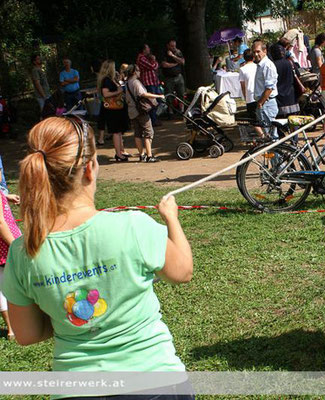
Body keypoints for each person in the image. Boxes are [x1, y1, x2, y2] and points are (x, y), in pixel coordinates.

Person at [2, 117, 194, 396]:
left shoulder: (22, 252)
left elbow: (27, 334)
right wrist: (171, 219)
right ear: (90, 169)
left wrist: (68, 319)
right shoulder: (132, 225)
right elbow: (183, 271)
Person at [125, 64, 165, 163]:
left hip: (132, 111)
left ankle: (142, 155)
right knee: (148, 132)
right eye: (138, 70)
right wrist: (158, 96)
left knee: (137, 133)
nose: (139, 72)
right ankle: (149, 155)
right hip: (140, 110)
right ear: (134, 72)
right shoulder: (135, 82)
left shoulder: (127, 83)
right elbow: (143, 94)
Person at [0, 170, 21, 341]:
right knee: (11, 285)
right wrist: (14, 245)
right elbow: (0, 223)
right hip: (5, 248)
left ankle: (11, 329)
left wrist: (6, 197)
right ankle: (13, 327)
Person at [97, 60, 130, 162]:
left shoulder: (111, 79)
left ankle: (121, 151)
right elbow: (105, 94)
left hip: (117, 109)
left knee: (119, 132)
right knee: (116, 132)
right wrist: (118, 91)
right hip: (112, 109)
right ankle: (119, 154)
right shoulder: (106, 80)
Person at [252, 40, 279, 140]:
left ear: (265, 51)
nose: (255, 54)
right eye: (254, 52)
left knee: (271, 136)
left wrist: (260, 103)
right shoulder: (260, 65)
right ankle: (273, 155)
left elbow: (269, 87)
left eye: (258, 51)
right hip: (263, 103)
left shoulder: (267, 65)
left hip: (267, 104)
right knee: (268, 136)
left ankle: (276, 156)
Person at [270, 44, 300, 117]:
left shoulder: (272, 65)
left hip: (279, 97)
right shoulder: (290, 62)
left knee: (281, 122)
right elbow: (298, 74)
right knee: (294, 121)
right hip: (291, 95)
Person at [137, 44, 162, 127]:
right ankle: (153, 120)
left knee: (159, 101)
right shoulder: (141, 58)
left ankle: (155, 117)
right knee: (152, 102)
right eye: (148, 48)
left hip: (154, 82)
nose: (149, 50)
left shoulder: (147, 58)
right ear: (144, 50)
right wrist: (154, 61)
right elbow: (153, 67)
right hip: (148, 83)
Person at [161, 39, 186, 114]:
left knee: (181, 93)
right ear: (168, 45)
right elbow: (164, 65)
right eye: (172, 46)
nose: (173, 47)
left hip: (178, 76)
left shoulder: (178, 52)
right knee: (169, 95)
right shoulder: (164, 53)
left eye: (174, 46)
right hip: (168, 77)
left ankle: (182, 111)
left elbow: (182, 62)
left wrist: (172, 56)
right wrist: (175, 64)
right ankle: (170, 112)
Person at [239, 49, 257, 119]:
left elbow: (242, 85)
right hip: (259, 93)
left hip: (249, 94)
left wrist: (245, 96)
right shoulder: (258, 66)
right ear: (253, 57)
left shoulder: (242, 69)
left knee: (252, 118)